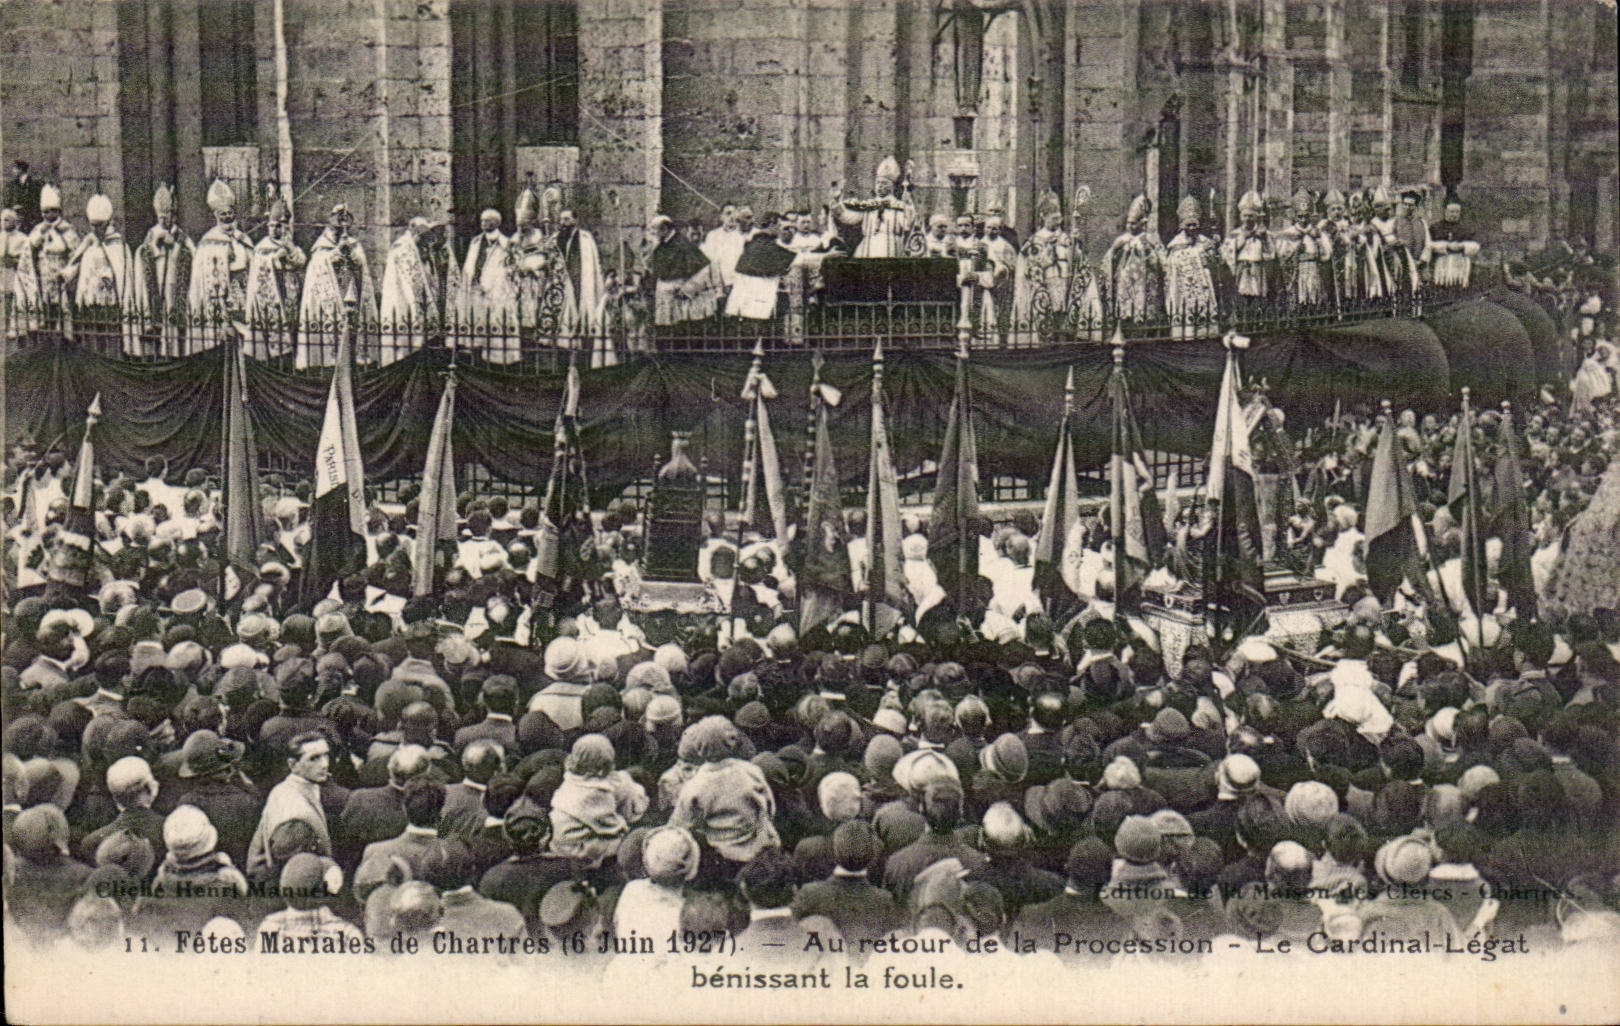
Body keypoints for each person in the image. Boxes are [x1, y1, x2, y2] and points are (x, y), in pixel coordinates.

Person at [247, 731, 338, 879]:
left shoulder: (283, 788)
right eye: (314, 759)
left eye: (326, 755)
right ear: (293, 764)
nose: (325, 764)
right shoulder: (295, 819)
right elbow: (294, 873)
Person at [298, 204, 378, 368]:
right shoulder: (321, 245)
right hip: (330, 297)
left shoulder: (354, 243)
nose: (341, 222)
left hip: (350, 291)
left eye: (345, 218)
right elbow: (317, 266)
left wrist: (353, 256)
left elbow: (361, 265)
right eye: (338, 217)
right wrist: (334, 255)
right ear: (330, 219)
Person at [61, 193, 135, 355]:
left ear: (107, 222)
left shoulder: (116, 244)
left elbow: (120, 269)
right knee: (92, 338)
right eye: (92, 225)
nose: (95, 229)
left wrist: (108, 276)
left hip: (109, 301)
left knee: (109, 337)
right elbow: (78, 262)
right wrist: (67, 274)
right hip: (89, 299)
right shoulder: (89, 241)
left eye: (99, 225)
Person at [244, 193, 307, 362]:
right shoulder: (262, 247)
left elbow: (301, 261)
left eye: (279, 226)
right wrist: (275, 259)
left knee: (292, 327)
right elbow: (259, 270)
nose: (275, 229)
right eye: (272, 226)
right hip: (271, 296)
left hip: (291, 292)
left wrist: (289, 249)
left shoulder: (289, 244)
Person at [132, 184, 194, 357]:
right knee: (158, 313)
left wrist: (175, 244)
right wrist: (156, 246)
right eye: (160, 217)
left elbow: (191, 253)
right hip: (157, 279)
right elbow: (144, 254)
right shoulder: (152, 233)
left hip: (175, 280)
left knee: (173, 315)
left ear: (172, 216)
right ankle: (158, 353)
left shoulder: (179, 234)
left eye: (167, 216)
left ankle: (175, 352)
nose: (164, 220)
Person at [188, 179, 253, 342]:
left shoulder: (243, 238)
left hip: (243, 294)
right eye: (223, 214)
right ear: (216, 215)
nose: (227, 216)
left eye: (230, 213)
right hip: (222, 297)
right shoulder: (209, 241)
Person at [456, 207, 519, 364]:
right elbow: (470, 265)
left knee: (496, 326)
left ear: (496, 223)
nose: (483, 223)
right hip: (476, 290)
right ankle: (476, 358)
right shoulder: (476, 242)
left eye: (487, 220)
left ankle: (496, 361)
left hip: (497, 291)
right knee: (477, 326)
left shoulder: (506, 244)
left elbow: (512, 267)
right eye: (482, 220)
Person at [379, 216, 443, 364]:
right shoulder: (402, 248)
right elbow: (409, 277)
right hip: (401, 297)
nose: (424, 241)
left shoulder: (417, 248)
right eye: (421, 236)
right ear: (413, 231)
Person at [16, 184, 77, 337]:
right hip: (42, 276)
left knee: (62, 312)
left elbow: (76, 254)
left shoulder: (67, 229)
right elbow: (29, 251)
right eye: (45, 212)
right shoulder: (38, 229)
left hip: (61, 275)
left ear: (58, 211)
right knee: (45, 310)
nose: (47, 215)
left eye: (51, 211)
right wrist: (39, 236)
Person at [1102, 194, 1166, 333]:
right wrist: (1115, 251)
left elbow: (1160, 263)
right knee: (1125, 314)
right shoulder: (1122, 239)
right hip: (1125, 283)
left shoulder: (1151, 240)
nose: (1130, 226)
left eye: (1133, 223)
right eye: (1128, 223)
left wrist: (1148, 251)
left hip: (1145, 284)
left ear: (1142, 223)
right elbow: (1109, 260)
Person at [829, 158, 915, 259]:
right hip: (868, 249)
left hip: (891, 249)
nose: (879, 186)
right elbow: (848, 218)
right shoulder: (869, 206)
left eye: (883, 183)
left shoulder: (898, 206)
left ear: (891, 187)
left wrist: (908, 205)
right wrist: (836, 200)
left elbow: (907, 225)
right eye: (877, 183)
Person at [1163, 194, 1221, 339]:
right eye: (1189, 225)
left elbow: (1215, 263)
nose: (1192, 228)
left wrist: (1212, 253)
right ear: (1183, 226)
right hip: (1183, 288)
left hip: (1203, 285)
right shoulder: (1176, 245)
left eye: (1194, 225)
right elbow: (1172, 266)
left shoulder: (1205, 242)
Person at [1221, 191, 1274, 317]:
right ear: (1241, 217)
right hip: (1242, 269)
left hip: (1258, 269)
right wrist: (1242, 239)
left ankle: (1257, 321)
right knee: (1241, 298)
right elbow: (1226, 252)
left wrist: (1265, 239)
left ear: (1256, 216)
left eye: (1251, 216)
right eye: (1245, 216)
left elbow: (1271, 253)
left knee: (1258, 298)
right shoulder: (1235, 234)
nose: (1248, 219)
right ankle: (1241, 320)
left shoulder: (1263, 233)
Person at [1427, 198, 1479, 288]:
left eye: (1457, 212)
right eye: (1451, 212)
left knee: (1458, 286)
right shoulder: (1435, 227)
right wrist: (1446, 246)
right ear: (1445, 212)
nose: (1454, 214)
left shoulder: (1465, 229)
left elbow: (1474, 246)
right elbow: (1428, 245)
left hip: (1460, 265)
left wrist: (1462, 246)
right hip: (1441, 265)